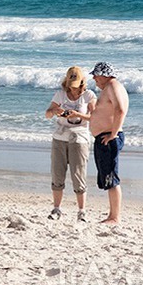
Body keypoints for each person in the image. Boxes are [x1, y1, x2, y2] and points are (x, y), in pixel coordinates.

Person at [44, 66, 97, 222]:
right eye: (70, 85)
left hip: (79, 139)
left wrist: (77, 114)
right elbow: (47, 114)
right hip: (60, 138)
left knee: (78, 174)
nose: (72, 90)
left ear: (82, 83)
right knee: (57, 174)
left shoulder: (89, 95)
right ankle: (56, 209)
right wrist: (55, 111)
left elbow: (94, 117)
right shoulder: (60, 94)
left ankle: (81, 211)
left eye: (75, 86)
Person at [88, 62, 129, 225]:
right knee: (107, 177)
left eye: (96, 75)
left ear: (104, 75)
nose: (94, 78)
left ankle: (114, 217)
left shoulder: (113, 86)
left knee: (112, 178)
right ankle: (112, 215)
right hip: (104, 136)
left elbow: (120, 110)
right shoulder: (110, 88)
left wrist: (113, 134)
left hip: (109, 137)